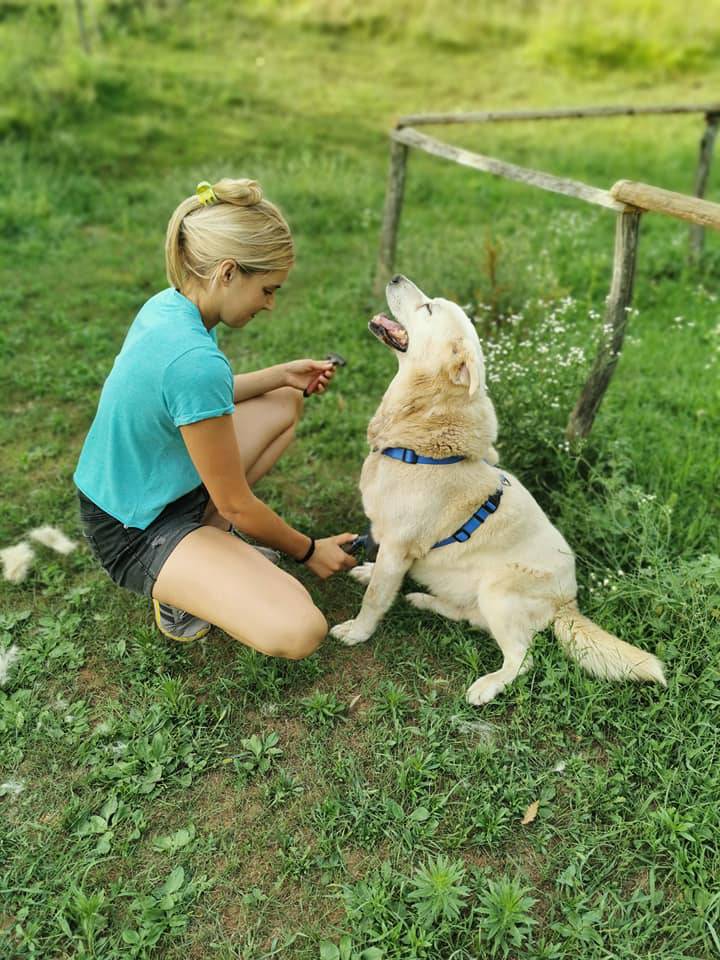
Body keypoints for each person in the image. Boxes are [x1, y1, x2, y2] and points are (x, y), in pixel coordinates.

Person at [74, 177, 357, 657]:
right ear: (228, 272)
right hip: (135, 531)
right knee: (299, 628)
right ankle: (180, 590)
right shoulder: (194, 361)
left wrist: (279, 375)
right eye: (267, 290)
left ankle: (211, 553)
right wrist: (309, 550)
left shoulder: (170, 308)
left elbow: (197, 402)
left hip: (156, 485)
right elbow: (237, 505)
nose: (270, 304)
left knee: (284, 401)